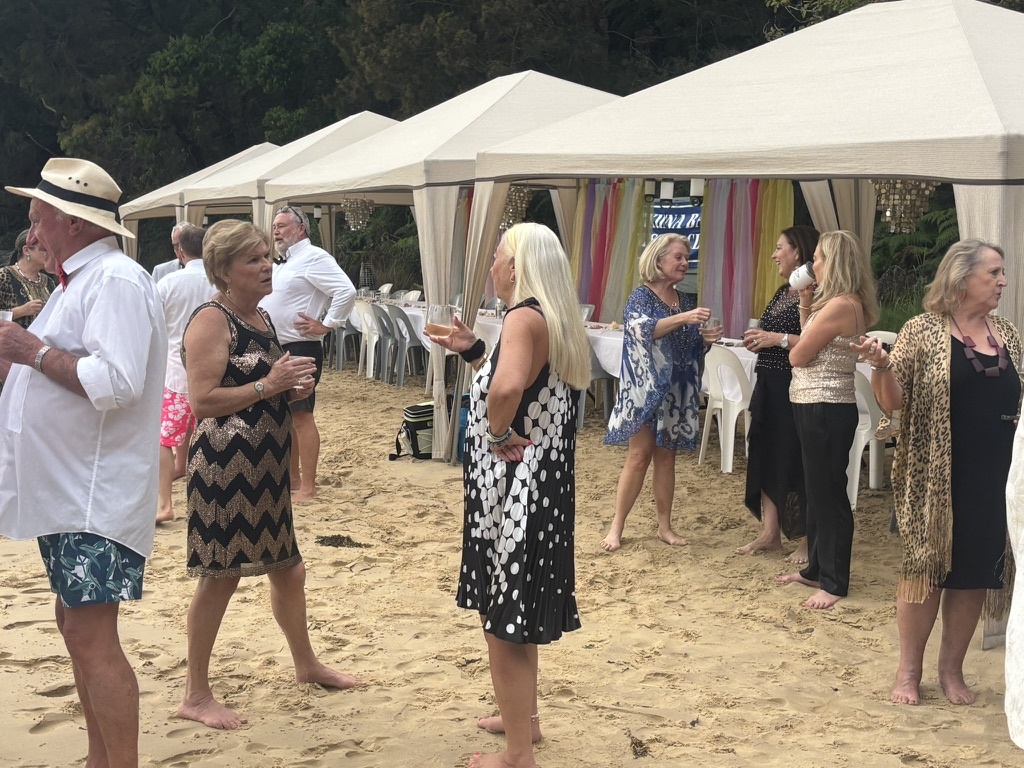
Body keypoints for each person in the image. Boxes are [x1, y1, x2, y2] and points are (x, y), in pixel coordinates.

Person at [0, 158, 167, 768]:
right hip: (71, 493)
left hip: (95, 495)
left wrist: (30, 351)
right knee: (77, 630)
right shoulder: (81, 282)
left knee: (93, 639)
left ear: (72, 222)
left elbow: (116, 382)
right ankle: (102, 758)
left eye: (38, 218)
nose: (31, 233)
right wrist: (21, 359)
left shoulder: (114, 280)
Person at [178, 219, 365, 730]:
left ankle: (306, 665)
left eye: (267, 255)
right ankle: (195, 694)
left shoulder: (259, 315)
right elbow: (202, 401)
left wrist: (292, 388)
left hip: (265, 465)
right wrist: (270, 385)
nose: (267, 266)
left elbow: (266, 380)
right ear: (224, 271)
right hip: (225, 467)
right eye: (254, 259)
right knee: (220, 579)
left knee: (288, 569)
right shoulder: (211, 319)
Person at [430, 222, 591, 768]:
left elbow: (506, 389)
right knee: (517, 611)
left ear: (516, 265)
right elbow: (522, 383)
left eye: (498, 256)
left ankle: (518, 753)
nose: (493, 266)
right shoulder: (550, 316)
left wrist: (497, 433)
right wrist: (476, 351)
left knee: (502, 618)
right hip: (542, 484)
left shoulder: (522, 316)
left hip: (513, 488)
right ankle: (525, 719)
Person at [854, 239, 1020, 705]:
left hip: (996, 472)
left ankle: (952, 671)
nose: (1003, 282)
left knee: (975, 571)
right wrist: (881, 367)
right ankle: (909, 672)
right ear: (961, 278)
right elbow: (893, 401)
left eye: (1002, 273)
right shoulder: (922, 330)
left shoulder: (1007, 333)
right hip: (934, 475)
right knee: (925, 569)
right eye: (994, 273)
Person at [776, 230, 877, 610]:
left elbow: (798, 355)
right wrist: (805, 304)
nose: (812, 264)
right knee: (817, 489)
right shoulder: (837, 302)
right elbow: (808, 341)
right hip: (815, 402)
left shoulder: (841, 305)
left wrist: (804, 325)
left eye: (817, 257)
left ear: (832, 263)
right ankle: (817, 569)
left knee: (829, 493)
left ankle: (834, 581)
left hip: (826, 405)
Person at [600, 233, 720, 552]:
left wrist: (705, 340)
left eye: (687, 257)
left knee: (667, 458)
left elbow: (687, 347)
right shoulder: (640, 296)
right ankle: (617, 527)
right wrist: (684, 318)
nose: (684, 262)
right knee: (639, 456)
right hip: (645, 390)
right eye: (678, 257)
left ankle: (665, 527)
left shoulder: (685, 300)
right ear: (658, 260)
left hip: (676, 391)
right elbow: (643, 331)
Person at [260, 205, 356, 501]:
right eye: (274, 227)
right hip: (279, 346)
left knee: (301, 414)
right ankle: (292, 479)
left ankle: (308, 486)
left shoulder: (314, 256)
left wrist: (327, 324)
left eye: (282, 226)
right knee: (286, 416)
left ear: (301, 228)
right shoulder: (286, 261)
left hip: (300, 346)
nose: (276, 231)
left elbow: (346, 290)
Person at [736, 226, 819, 564]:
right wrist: (759, 339)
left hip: (794, 384)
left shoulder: (816, 292)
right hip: (768, 381)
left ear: (798, 252)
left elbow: (817, 342)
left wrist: (776, 339)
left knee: (795, 457)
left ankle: (806, 537)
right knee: (765, 451)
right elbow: (772, 332)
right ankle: (770, 533)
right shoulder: (783, 291)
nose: (774, 255)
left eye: (779, 247)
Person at [155, 222, 215, 523]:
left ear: (180, 251)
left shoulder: (168, 283)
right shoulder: (220, 281)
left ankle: (164, 502)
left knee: (164, 439)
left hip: (176, 371)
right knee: (209, 435)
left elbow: (153, 326)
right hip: (215, 371)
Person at [0, 228, 55, 327]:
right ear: (26, 250)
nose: (49, 254)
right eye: (44, 250)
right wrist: (21, 311)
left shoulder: (48, 282)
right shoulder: (3, 276)